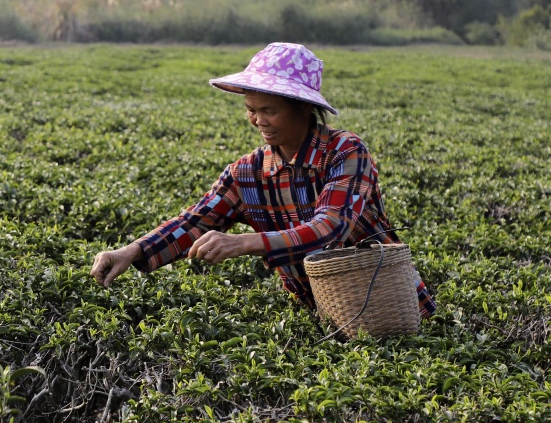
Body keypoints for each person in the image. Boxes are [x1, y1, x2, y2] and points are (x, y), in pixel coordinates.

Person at [90, 42, 435, 320]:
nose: (257, 120)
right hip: (323, 316)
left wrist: (245, 243)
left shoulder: (344, 152)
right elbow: (195, 222)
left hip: (391, 309)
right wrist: (132, 250)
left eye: (269, 110)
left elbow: (330, 228)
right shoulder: (247, 174)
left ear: (302, 107)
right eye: (251, 109)